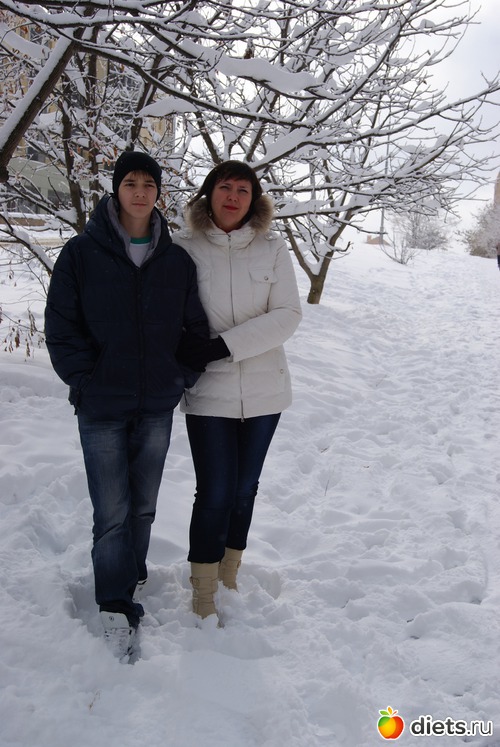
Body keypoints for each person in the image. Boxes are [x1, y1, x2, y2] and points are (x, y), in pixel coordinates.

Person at [44, 151, 208, 659]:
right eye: (130, 182)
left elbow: (195, 330)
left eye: (148, 184)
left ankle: (129, 572)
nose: (139, 192)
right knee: (112, 509)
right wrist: (86, 380)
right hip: (101, 406)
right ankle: (114, 605)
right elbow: (61, 327)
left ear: (159, 192)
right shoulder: (81, 254)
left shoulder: (175, 260)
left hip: (156, 403)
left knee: (143, 506)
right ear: (116, 189)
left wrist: (178, 377)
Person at [175, 160, 302, 621]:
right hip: (209, 391)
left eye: (243, 190)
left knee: (244, 489)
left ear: (254, 199)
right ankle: (204, 590)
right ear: (209, 193)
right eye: (225, 187)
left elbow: (287, 314)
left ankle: (229, 573)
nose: (233, 197)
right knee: (215, 491)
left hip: (266, 391)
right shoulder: (183, 247)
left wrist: (223, 345)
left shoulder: (272, 247)